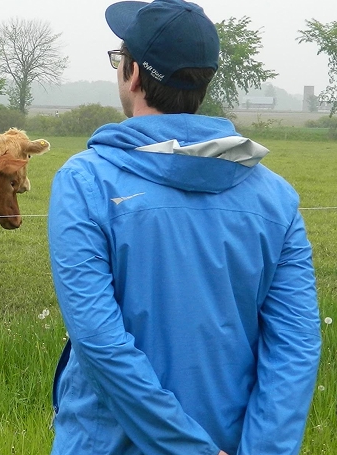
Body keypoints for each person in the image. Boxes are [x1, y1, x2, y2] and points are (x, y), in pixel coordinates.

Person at [47, 0, 322, 454]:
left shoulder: (86, 181)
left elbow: (99, 341)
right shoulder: (276, 197)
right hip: (232, 439)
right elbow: (295, 345)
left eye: (120, 58)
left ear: (133, 74)